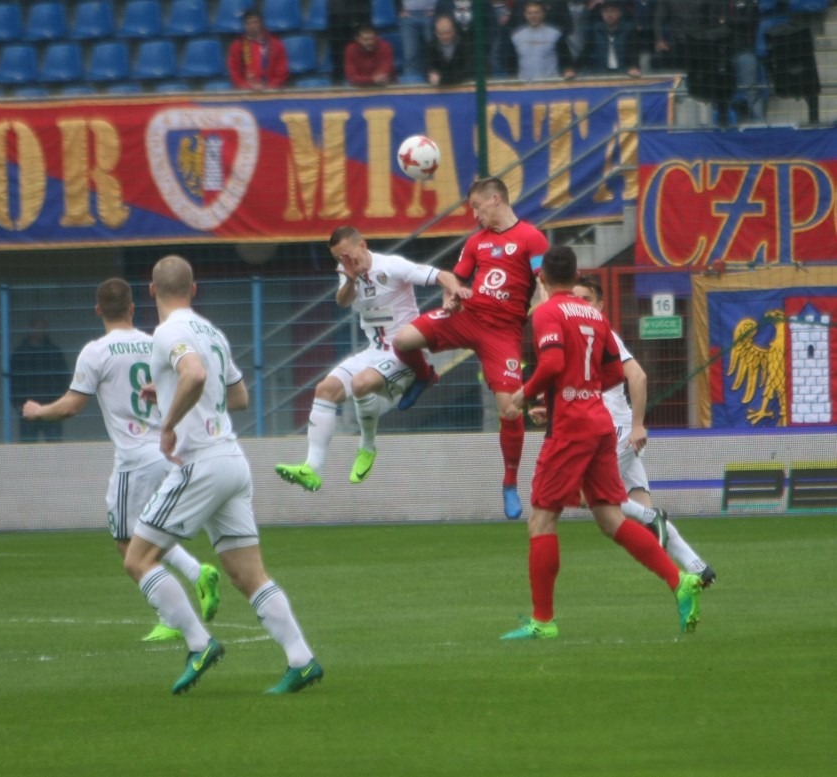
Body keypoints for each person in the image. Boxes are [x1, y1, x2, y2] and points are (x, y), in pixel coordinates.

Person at [124, 255, 322, 695]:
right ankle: (302, 660)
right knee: (247, 574)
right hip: (232, 459)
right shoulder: (210, 331)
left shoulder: (168, 331)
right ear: (194, 290)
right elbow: (238, 397)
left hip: (200, 463)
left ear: (152, 291)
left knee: (138, 559)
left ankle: (199, 643)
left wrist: (170, 422)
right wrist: (171, 389)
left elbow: (192, 373)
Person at [500, 246, 704, 640]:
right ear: (577, 276)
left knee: (542, 519)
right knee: (610, 518)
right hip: (598, 422)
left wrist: (525, 397)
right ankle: (679, 581)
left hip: (572, 429)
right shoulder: (593, 313)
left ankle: (543, 621)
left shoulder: (546, 313)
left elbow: (554, 364)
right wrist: (578, 391)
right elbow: (612, 371)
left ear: (541, 278)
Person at [21, 279, 220, 643]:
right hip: (168, 450)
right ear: (132, 307)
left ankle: (181, 609)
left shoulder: (96, 352)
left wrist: (38, 411)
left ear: (98, 311)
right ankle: (188, 586)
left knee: (128, 545)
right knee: (148, 533)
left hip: (135, 459)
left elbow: (71, 406)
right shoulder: (155, 343)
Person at [393, 177, 550, 521]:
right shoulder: (476, 242)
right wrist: (451, 298)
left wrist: (547, 305)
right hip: (468, 315)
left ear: (495, 199)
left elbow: (543, 280)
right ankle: (424, 375)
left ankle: (509, 482)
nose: (474, 215)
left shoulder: (531, 238)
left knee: (510, 410)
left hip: (504, 332)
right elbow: (457, 280)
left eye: (477, 207)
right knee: (402, 341)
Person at [276, 226, 471, 492]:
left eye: (347, 255)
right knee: (325, 390)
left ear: (363, 245)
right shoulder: (348, 274)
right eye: (338, 258)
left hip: (405, 354)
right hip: (374, 351)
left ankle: (367, 447)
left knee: (360, 383)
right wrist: (352, 278)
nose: (344, 261)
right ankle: (311, 468)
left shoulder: (391, 266)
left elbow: (441, 275)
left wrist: (454, 291)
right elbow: (342, 302)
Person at [569, 275, 716, 586]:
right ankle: (698, 567)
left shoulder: (604, 334)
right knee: (638, 506)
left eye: (586, 299)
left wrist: (637, 425)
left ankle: (653, 518)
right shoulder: (583, 338)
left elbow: (638, 377)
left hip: (616, 431)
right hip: (610, 429)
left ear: (599, 305)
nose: (580, 305)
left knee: (583, 494)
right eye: (575, 299)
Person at [11, 317, 70, 442]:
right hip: (27, 407)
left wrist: (60, 400)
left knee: (54, 447)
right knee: (29, 447)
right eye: (37, 328)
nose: (40, 331)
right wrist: (17, 403)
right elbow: (14, 380)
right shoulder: (20, 353)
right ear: (30, 330)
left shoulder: (54, 352)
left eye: (43, 328)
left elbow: (63, 377)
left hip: (51, 406)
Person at [510, 1, 576, 80]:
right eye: (530, 13)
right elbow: (511, 62)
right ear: (525, 15)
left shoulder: (555, 35)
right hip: (524, 85)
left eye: (537, 13)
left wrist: (568, 70)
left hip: (551, 83)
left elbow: (566, 58)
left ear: (543, 14)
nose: (533, 16)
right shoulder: (516, 36)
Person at [226, 7, 289, 90]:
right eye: (248, 23)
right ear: (244, 25)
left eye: (255, 22)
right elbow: (234, 71)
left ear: (261, 23)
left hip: (272, 91)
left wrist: (270, 87)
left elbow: (282, 71)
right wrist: (248, 87)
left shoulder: (275, 44)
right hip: (245, 93)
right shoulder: (237, 46)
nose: (252, 26)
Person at [577, 0, 641, 77]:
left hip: (624, 73)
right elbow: (586, 52)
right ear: (602, 14)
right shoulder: (596, 30)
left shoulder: (629, 30)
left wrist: (633, 67)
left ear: (619, 13)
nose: (609, 15)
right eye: (606, 11)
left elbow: (633, 52)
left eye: (613, 11)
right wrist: (573, 69)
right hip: (601, 74)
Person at [327, 0, 372, 84]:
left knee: (362, 46)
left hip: (360, 13)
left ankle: (364, 77)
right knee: (339, 50)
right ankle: (340, 79)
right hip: (338, 17)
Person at [425, 14, 473, 86]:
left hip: (461, 86)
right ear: (436, 33)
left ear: (453, 31)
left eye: (447, 33)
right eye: (441, 33)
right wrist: (432, 75)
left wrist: (442, 80)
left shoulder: (463, 45)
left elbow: (468, 70)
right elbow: (427, 69)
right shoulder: (431, 47)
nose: (445, 37)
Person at [399, 0, 438, 78]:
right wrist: (399, 9)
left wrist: (437, 9)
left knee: (432, 50)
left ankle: (433, 77)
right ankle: (412, 82)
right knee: (410, 54)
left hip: (430, 14)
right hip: (409, 16)